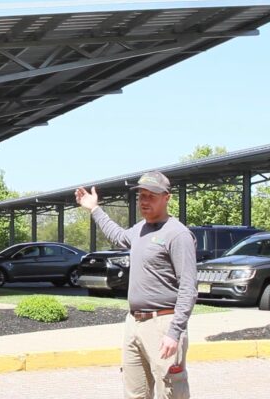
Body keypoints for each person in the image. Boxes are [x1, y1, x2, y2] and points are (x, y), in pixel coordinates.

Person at [75, 171, 197, 399]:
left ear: (166, 198)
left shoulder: (177, 234)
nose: (144, 201)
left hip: (163, 324)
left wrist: (174, 332)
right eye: (141, 195)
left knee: (171, 391)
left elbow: (188, 288)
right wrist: (94, 208)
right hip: (134, 323)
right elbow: (117, 235)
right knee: (134, 393)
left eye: (151, 196)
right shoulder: (140, 229)